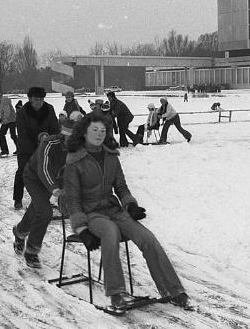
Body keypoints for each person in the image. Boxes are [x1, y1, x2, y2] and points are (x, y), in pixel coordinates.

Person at [63, 113, 191, 311]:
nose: (99, 134)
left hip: (113, 209)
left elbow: (121, 187)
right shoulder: (75, 160)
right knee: (110, 231)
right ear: (84, 132)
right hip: (91, 213)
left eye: (103, 130)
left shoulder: (111, 156)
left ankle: (173, 290)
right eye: (94, 130)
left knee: (148, 238)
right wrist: (81, 229)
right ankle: (117, 294)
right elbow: (72, 199)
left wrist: (130, 205)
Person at [12, 110, 83, 268]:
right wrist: (55, 189)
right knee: (45, 211)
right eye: (70, 138)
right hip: (35, 178)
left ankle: (19, 232)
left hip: (55, 181)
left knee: (37, 208)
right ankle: (32, 251)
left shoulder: (79, 148)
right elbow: (43, 169)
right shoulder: (50, 143)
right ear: (64, 135)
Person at [14, 87, 59, 210]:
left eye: (41, 99)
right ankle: (17, 199)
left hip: (46, 146)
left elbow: (54, 128)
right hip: (26, 148)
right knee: (23, 171)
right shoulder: (22, 112)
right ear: (30, 99)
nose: (38, 102)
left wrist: (51, 143)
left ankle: (45, 199)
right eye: (36, 99)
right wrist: (36, 146)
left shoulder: (49, 109)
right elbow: (22, 133)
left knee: (46, 172)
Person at [0, 90, 18, 157]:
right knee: (9, 135)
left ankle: (5, 151)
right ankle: (18, 149)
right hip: (9, 120)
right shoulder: (2, 101)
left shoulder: (4, 101)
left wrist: (4, 119)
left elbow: (7, 111)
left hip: (10, 120)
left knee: (4, 134)